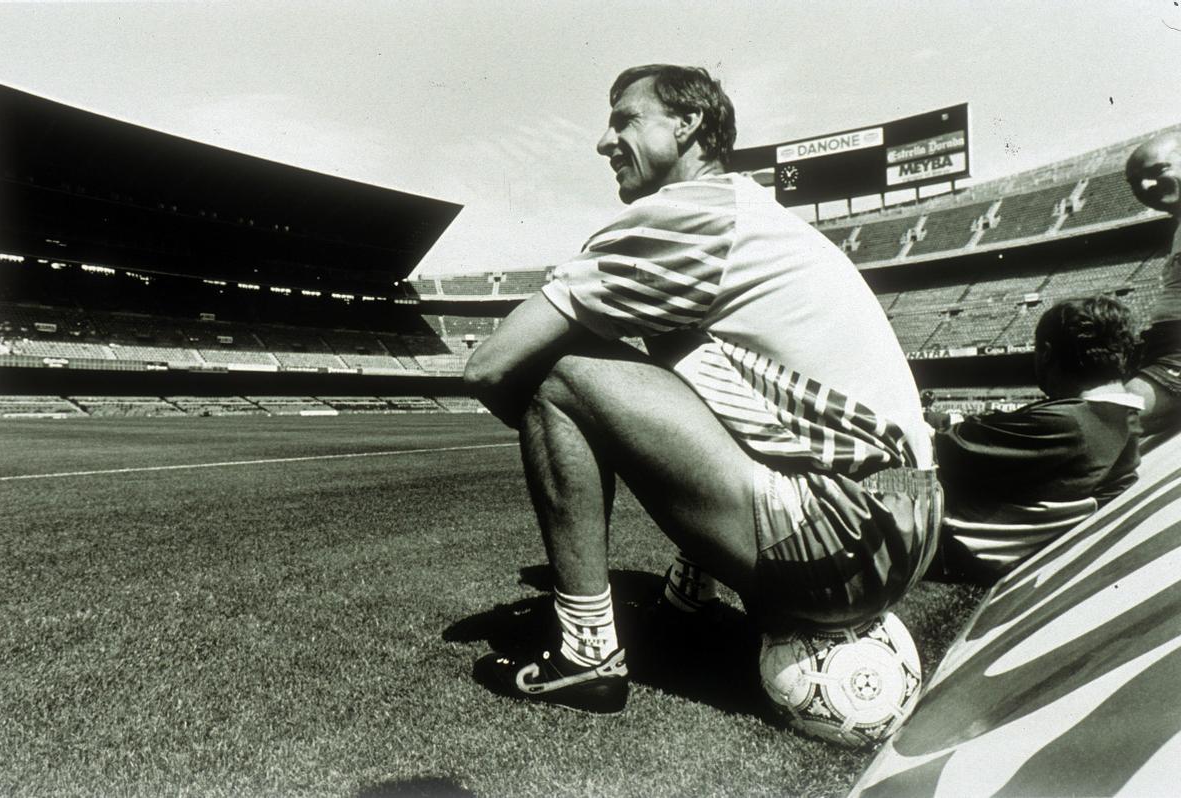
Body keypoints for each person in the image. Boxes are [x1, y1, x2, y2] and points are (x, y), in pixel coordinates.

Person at [463, 64, 939, 714]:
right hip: (903, 533)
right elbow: (722, 402)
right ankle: (693, 588)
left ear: (687, 125)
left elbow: (489, 366)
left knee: (558, 372)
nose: (605, 142)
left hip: (843, 539)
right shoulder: (746, 214)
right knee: (675, 372)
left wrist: (573, 436)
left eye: (625, 119)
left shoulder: (684, 216)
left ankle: (586, 655)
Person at [932, 295, 1142, 585]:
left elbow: (942, 448)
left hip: (938, 539)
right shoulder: (1120, 419)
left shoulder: (1074, 423)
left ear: (1046, 352)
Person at [1124, 131, 1181, 437]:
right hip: (1163, 344)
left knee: (1109, 421)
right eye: (1135, 182)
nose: (1144, 186)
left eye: (1158, 170)